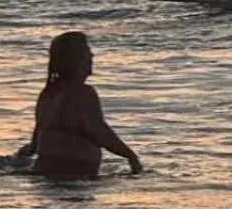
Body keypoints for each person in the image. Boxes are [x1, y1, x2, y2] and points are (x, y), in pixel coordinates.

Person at [15, 31, 143, 180]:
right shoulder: (83, 93)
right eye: (88, 51)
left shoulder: (48, 93)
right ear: (77, 60)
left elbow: (35, 143)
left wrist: (20, 156)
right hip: (75, 174)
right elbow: (100, 132)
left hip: (45, 172)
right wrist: (130, 156)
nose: (92, 56)